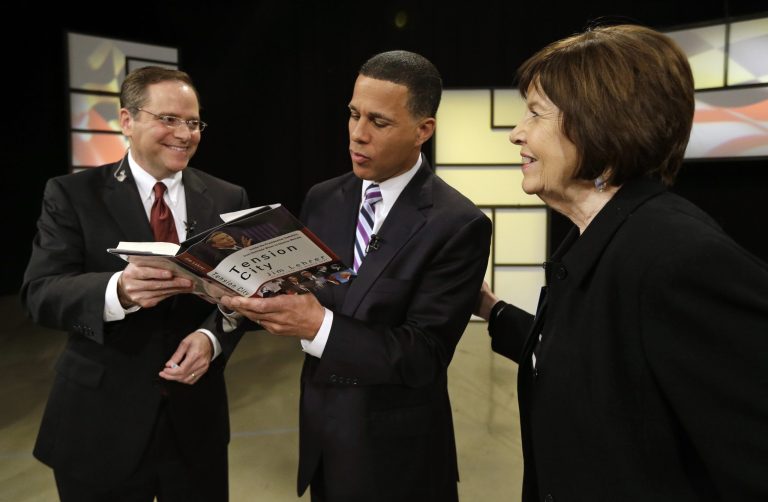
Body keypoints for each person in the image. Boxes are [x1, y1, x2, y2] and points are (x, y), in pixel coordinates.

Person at [473, 24, 768, 500]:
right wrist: (491, 309)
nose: (516, 133)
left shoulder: (679, 259)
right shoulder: (599, 239)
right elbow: (590, 356)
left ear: (600, 127)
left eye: (535, 114)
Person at [220, 50, 492, 501]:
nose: (357, 135)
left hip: (399, 458)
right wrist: (234, 290)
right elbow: (305, 290)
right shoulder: (323, 198)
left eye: (379, 122)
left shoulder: (458, 224)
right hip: (324, 439)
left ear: (424, 130)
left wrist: (318, 326)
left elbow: (423, 354)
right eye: (353, 115)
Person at [21, 66, 250, 502]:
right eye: (169, 119)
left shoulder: (228, 198)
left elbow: (240, 294)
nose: (185, 133)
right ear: (127, 120)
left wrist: (212, 338)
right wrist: (118, 292)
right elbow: (40, 293)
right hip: (98, 427)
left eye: (194, 122)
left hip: (195, 428)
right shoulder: (72, 194)